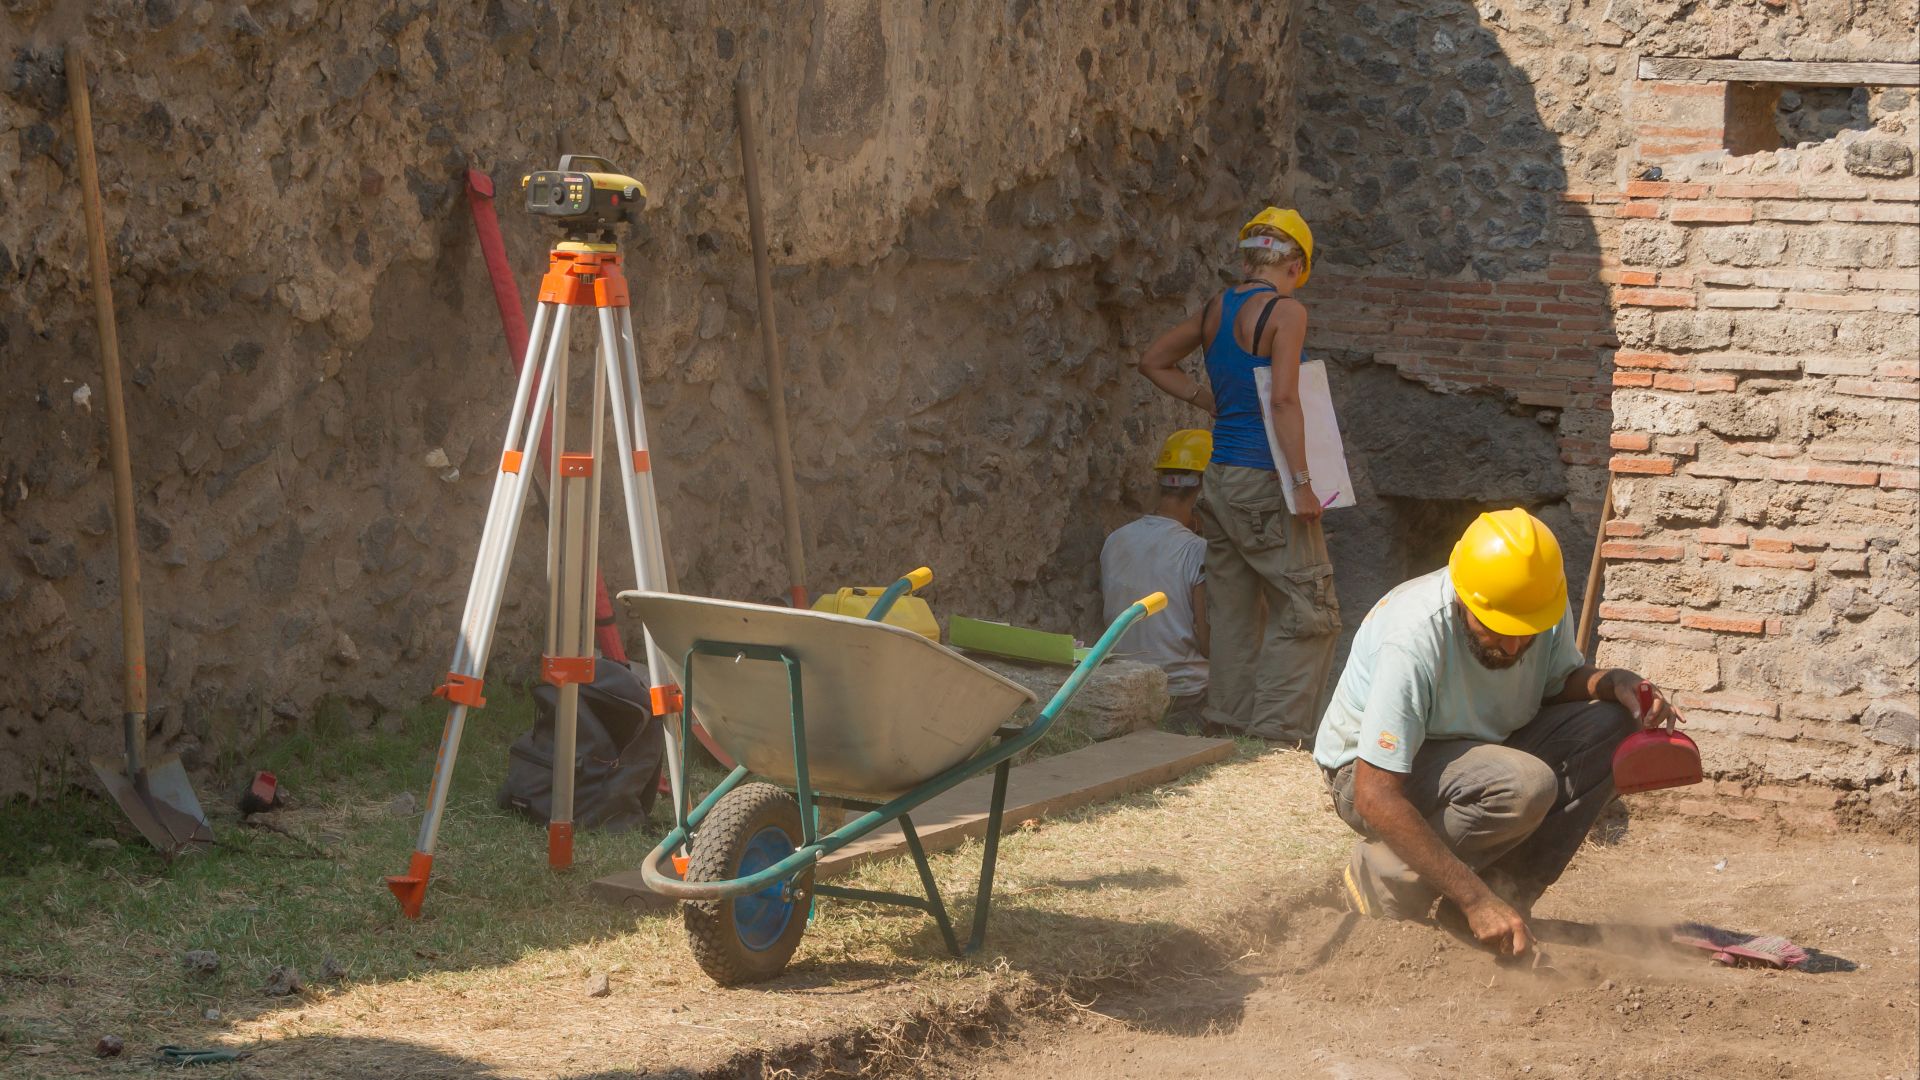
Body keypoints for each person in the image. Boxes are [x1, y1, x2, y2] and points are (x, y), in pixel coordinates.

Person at [1314, 508, 1680, 956]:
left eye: (1524, 634)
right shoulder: (1411, 638)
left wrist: (1613, 681)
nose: (1512, 647)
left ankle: (1505, 901)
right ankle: (1385, 877)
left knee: (1611, 724)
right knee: (1523, 785)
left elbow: (1552, 681)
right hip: (1370, 774)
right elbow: (1375, 794)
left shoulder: (1537, 606)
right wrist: (1473, 898)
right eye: (1498, 631)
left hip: (1480, 749)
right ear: (1466, 600)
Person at [1137, 207, 1340, 743]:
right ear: (1295, 263)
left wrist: (1209, 401)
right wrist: (1300, 483)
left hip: (1219, 477)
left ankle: (1225, 720)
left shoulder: (1215, 307)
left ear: (1250, 256)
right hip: (1263, 477)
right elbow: (1285, 399)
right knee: (1308, 607)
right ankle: (1276, 734)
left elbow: (1154, 359)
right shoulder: (1286, 312)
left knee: (1231, 609)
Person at [1101, 430, 1213, 733]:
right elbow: (1208, 644)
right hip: (1182, 694)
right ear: (1205, 487)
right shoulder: (1197, 550)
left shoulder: (1116, 540)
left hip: (1125, 685)